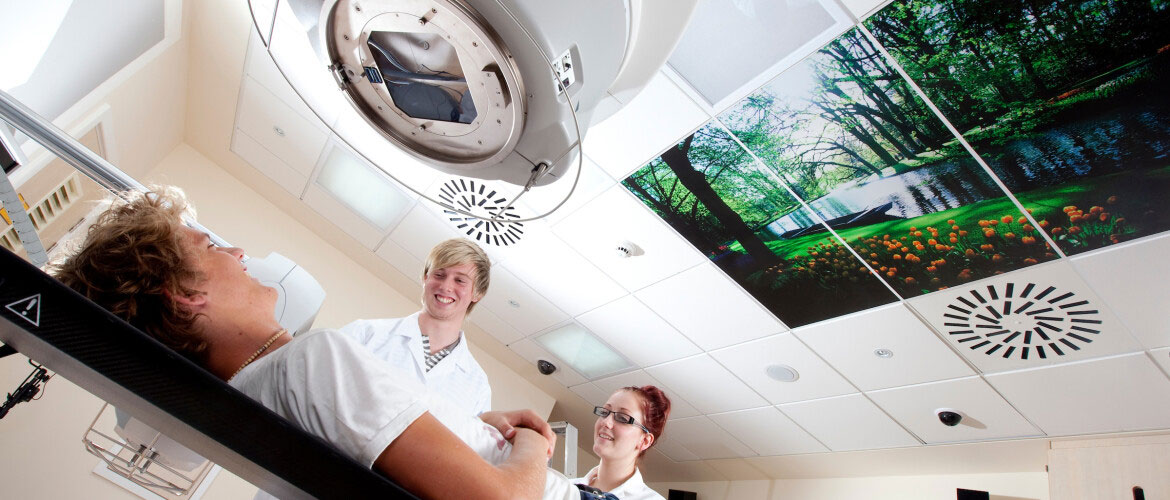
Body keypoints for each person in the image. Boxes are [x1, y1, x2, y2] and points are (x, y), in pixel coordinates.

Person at [52, 188, 588, 500]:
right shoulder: (314, 358)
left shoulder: (260, 386)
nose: (238, 251)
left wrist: (480, 425)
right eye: (212, 246)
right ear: (185, 297)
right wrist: (531, 444)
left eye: (461, 283)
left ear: (474, 298)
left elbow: (401, 444)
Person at [340, 238, 492, 416]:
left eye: (460, 280)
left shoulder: (477, 385)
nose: (445, 286)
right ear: (425, 278)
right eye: (439, 275)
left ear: (477, 293)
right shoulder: (366, 333)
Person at [573, 386, 672, 500]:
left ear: (644, 441)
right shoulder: (566, 488)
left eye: (622, 418)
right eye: (605, 412)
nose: (606, 422)